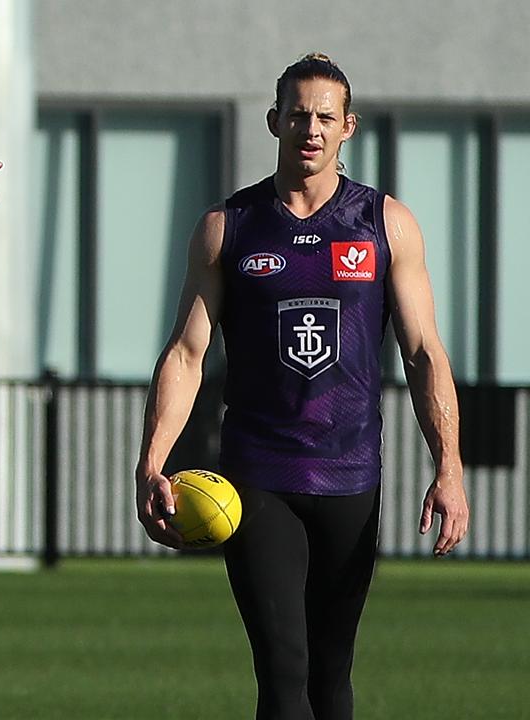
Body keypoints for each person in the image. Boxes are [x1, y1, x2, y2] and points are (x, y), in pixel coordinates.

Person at [134, 53, 469, 720]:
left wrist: (450, 466)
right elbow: (187, 352)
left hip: (352, 476)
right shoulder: (227, 227)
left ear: (348, 127)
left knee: (331, 676)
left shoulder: (384, 224)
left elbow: (425, 352)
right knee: (284, 674)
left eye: (324, 116)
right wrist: (152, 461)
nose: (309, 128)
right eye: (296, 114)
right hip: (260, 477)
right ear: (274, 121)